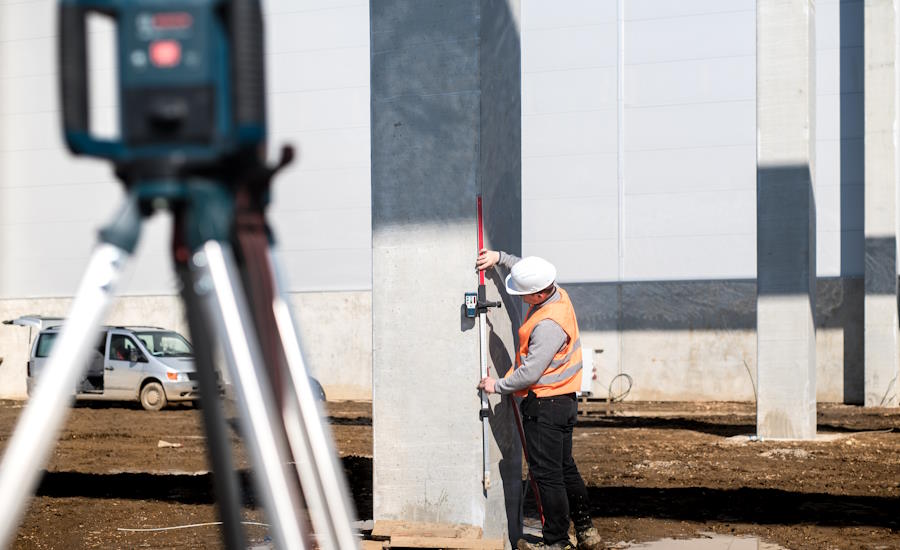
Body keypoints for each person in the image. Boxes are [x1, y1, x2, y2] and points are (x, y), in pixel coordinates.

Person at [476, 249, 601, 550]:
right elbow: (526, 270)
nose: (521, 298)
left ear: (537, 294)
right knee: (564, 468)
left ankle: (556, 542)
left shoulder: (547, 325)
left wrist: (498, 385)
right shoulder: (557, 292)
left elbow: (531, 372)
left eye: (524, 295)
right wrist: (500, 258)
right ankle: (586, 531)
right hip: (563, 401)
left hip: (545, 404)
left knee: (547, 477)